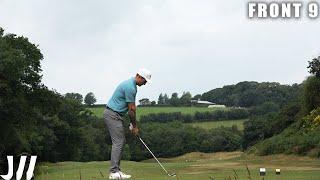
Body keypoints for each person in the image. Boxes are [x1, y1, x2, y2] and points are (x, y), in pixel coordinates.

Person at [104, 68, 152, 179]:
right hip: (112, 115)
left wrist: (132, 124)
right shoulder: (131, 87)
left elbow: (129, 110)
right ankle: (113, 172)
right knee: (119, 142)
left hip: (115, 115)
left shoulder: (131, 85)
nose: (145, 84)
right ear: (139, 76)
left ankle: (117, 171)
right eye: (144, 81)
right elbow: (131, 110)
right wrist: (134, 126)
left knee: (121, 141)